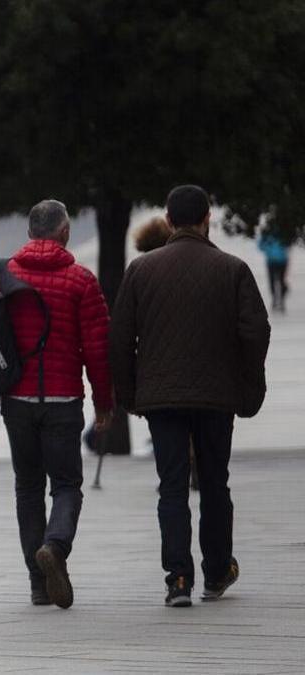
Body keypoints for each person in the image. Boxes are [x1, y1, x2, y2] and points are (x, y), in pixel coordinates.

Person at [110, 185, 271, 608]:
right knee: (215, 484)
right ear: (207, 219)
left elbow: (120, 337)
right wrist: (249, 386)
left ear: (167, 220)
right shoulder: (232, 269)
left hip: (161, 398)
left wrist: (129, 395)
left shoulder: (141, 271)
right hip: (216, 397)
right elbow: (256, 330)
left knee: (172, 487)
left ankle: (178, 577)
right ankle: (217, 572)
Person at [0, 199, 113, 609]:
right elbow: (98, 350)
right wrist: (104, 403)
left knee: (28, 488)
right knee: (66, 484)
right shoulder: (81, 280)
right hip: (64, 400)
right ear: (64, 232)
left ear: (30, 233)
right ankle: (55, 545)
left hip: (17, 398)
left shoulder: (0, 273)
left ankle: (37, 583)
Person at [258, 228, 290, 313]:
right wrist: (268, 249)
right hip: (271, 261)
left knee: (281, 281)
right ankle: (275, 299)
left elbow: (289, 244)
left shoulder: (283, 231)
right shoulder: (267, 233)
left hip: (282, 261)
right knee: (272, 282)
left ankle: (281, 300)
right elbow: (260, 245)